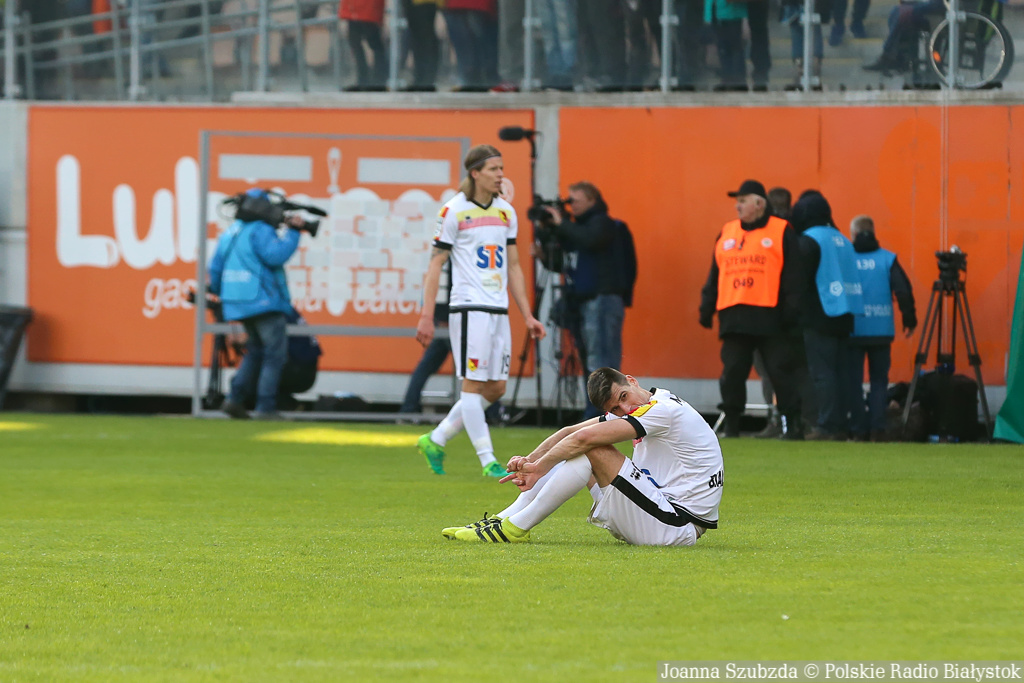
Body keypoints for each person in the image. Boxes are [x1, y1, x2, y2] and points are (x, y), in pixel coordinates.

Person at [442, 367, 723, 545]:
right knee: (582, 446)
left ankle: (515, 528)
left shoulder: (662, 410)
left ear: (632, 380)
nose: (624, 410)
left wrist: (539, 468)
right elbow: (570, 431)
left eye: (624, 397)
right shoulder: (647, 406)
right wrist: (530, 461)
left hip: (678, 525)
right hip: (657, 511)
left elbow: (584, 439)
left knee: (592, 448)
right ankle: (503, 520)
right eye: (615, 409)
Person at [416, 144, 546, 477]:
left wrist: (528, 315)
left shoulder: (506, 212)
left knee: (496, 388)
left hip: (498, 310)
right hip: (469, 308)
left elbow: (513, 266)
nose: (500, 174)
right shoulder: (453, 211)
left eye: (502, 168)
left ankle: (436, 438)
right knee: (473, 385)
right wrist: (427, 315)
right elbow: (436, 264)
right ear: (475, 173)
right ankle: (488, 460)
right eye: (493, 169)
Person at [699, 179, 805, 439]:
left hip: (771, 316)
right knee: (732, 373)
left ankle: (792, 425)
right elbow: (715, 273)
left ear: (759, 204)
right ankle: (732, 425)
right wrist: (707, 306)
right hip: (734, 315)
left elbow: (794, 275)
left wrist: (791, 310)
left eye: (743, 201)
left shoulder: (781, 230)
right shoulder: (727, 231)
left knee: (780, 372)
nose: (738, 206)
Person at [542, 181, 636, 419]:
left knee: (601, 361)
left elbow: (591, 240)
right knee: (590, 361)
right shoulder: (576, 229)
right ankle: (597, 412)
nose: (570, 205)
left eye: (574, 200)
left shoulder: (603, 224)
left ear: (591, 200)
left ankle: (605, 414)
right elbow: (563, 262)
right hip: (583, 302)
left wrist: (562, 223)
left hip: (602, 300)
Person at [208, 188, 304, 420]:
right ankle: (265, 407)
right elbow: (275, 255)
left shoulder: (231, 231)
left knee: (255, 351)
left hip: (236, 302)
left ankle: (234, 399)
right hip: (262, 301)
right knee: (274, 355)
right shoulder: (260, 229)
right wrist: (294, 232)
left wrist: (222, 293)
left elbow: (215, 267)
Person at [790, 190, 864, 440]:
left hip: (818, 315)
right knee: (842, 373)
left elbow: (799, 281)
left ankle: (826, 425)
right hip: (845, 314)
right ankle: (842, 424)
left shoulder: (809, 240)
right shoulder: (842, 238)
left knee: (822, 374)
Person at [847, 215, 917, 441]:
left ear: (854, 234)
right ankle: (878, 428)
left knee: (853, 382)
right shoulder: (887, 258)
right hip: (881, 329)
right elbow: (903, 290)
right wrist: (909, 319)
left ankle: (858, 429)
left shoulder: (846, 258)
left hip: (853, 329)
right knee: (879, 381)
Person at [339, 0, 388, 90]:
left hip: (361, 11)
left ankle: (372, 81)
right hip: (361, 12)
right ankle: (372, 80)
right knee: (364, 46)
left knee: (369, 46)